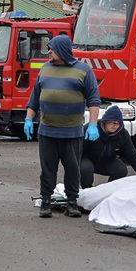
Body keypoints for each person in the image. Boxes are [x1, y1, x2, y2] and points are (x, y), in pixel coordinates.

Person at [24, 34, 101, 218]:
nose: (48, 51)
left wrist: (93, 124)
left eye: (52, 48)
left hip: (72, 132)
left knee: (73, 169)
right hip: (47, 131)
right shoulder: (45, 68)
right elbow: (34, 98)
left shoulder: (83, 70)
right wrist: (28, 119)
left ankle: (72, 203)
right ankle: (46, 202)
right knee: (47, 170)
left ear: (63, 50)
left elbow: (94, 99)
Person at [81, 105, 136, 189]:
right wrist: (70, 166)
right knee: (85, 168)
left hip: (106, 160)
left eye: (118, 123)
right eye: (112, 122)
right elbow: (77, 149)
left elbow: (132, 155)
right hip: (87, 159)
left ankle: (108, 190)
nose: (115, 126)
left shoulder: (122, 134)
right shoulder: (91, 129)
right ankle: (86, 190)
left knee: (121, 169)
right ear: (105, 121)